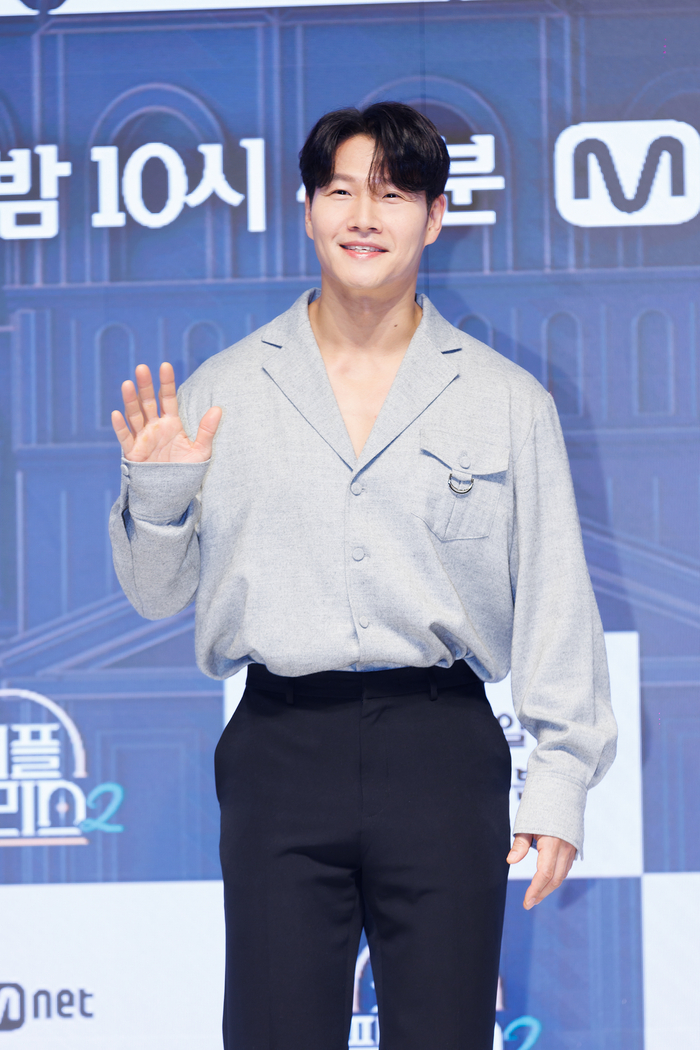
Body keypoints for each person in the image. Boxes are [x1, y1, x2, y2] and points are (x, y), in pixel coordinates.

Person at [110, 102, 617, 1050]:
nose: (363, 217)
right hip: (279, 749)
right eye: (340, 191)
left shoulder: (508, 401)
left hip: (441, 750)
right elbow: (154, 594)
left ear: (435, 216)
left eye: (391, 194)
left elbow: (557, 601)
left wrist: (559, 785)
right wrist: (158, 495)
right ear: (307, 211)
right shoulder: (222, 392)